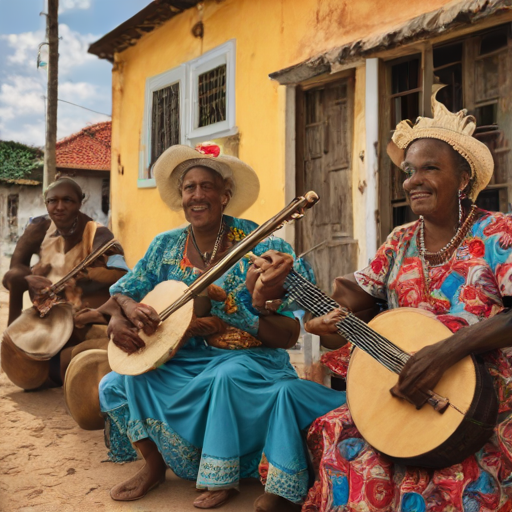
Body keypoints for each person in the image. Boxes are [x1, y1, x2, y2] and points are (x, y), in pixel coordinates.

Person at [251, 94, 512, 511]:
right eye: (409, 170)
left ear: (463, 179)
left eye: (430, 168)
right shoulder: (400, 241)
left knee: (451, 481)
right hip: (404, 386)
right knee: (343, 439)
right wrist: (297, 297)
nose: (413, 180)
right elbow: (349, 305)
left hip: (484, 394)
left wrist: (442, 353)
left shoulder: (499, 233)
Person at [98, 144, 345, 511]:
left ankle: (222, 476)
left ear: (225, 196)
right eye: (189, 188)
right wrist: (122, 317)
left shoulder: (261, 241)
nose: (197, 195)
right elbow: (119, 295)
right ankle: (153, 467)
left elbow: (297, 314)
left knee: (225, 376)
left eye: (207, 187)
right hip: (185, 358)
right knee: (115, 383)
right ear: (181, 198)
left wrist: (270, 286)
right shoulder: (164, 246)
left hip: (251, 359)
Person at [2, 177, 128, 388]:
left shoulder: (97, 233)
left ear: (80, 202)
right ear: (46, 203)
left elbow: (123, 273)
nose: (59, 207)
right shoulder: (38, 227)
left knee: (59, 372)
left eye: (68, 200)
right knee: (14, 278)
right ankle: (12, 342)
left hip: (83, 315)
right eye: (53, 201)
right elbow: (14, 269)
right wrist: (28, 278)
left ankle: (68, 361)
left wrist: (95, 272)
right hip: (48, 311)